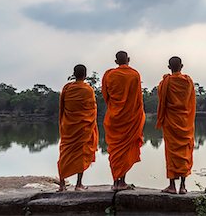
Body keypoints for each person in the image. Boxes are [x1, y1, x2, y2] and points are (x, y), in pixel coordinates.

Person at [102, 51, 146, 191]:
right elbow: (138, 99)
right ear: (128, 59)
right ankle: (122, 181)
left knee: (115, 150)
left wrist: (115, 107)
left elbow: (106, 95)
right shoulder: (135, 75)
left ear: (116, 61)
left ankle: (116, 181)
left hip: (114, 118)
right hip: (130, 118)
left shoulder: (109, 75)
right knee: (125, 150)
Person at [156, 56, 196, 194]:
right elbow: (191, 100)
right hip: (185, 121)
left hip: (171, 121)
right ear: (182, 66)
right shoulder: (188, 81)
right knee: (184, 152)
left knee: (171, 153)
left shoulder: (165, 82)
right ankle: (183, 186)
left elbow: (161, 98)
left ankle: (172, 185)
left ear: (169, 67)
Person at [57, 64, 98, 192]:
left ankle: (62, 184)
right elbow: (92, 109)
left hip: (69, 127)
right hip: (83, 127)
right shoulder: (88, 90)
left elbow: (62, 108)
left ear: (74, 74)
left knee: (65, 154)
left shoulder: (67, 88)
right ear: (85, 75)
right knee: (82, 152)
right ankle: (78, 184)